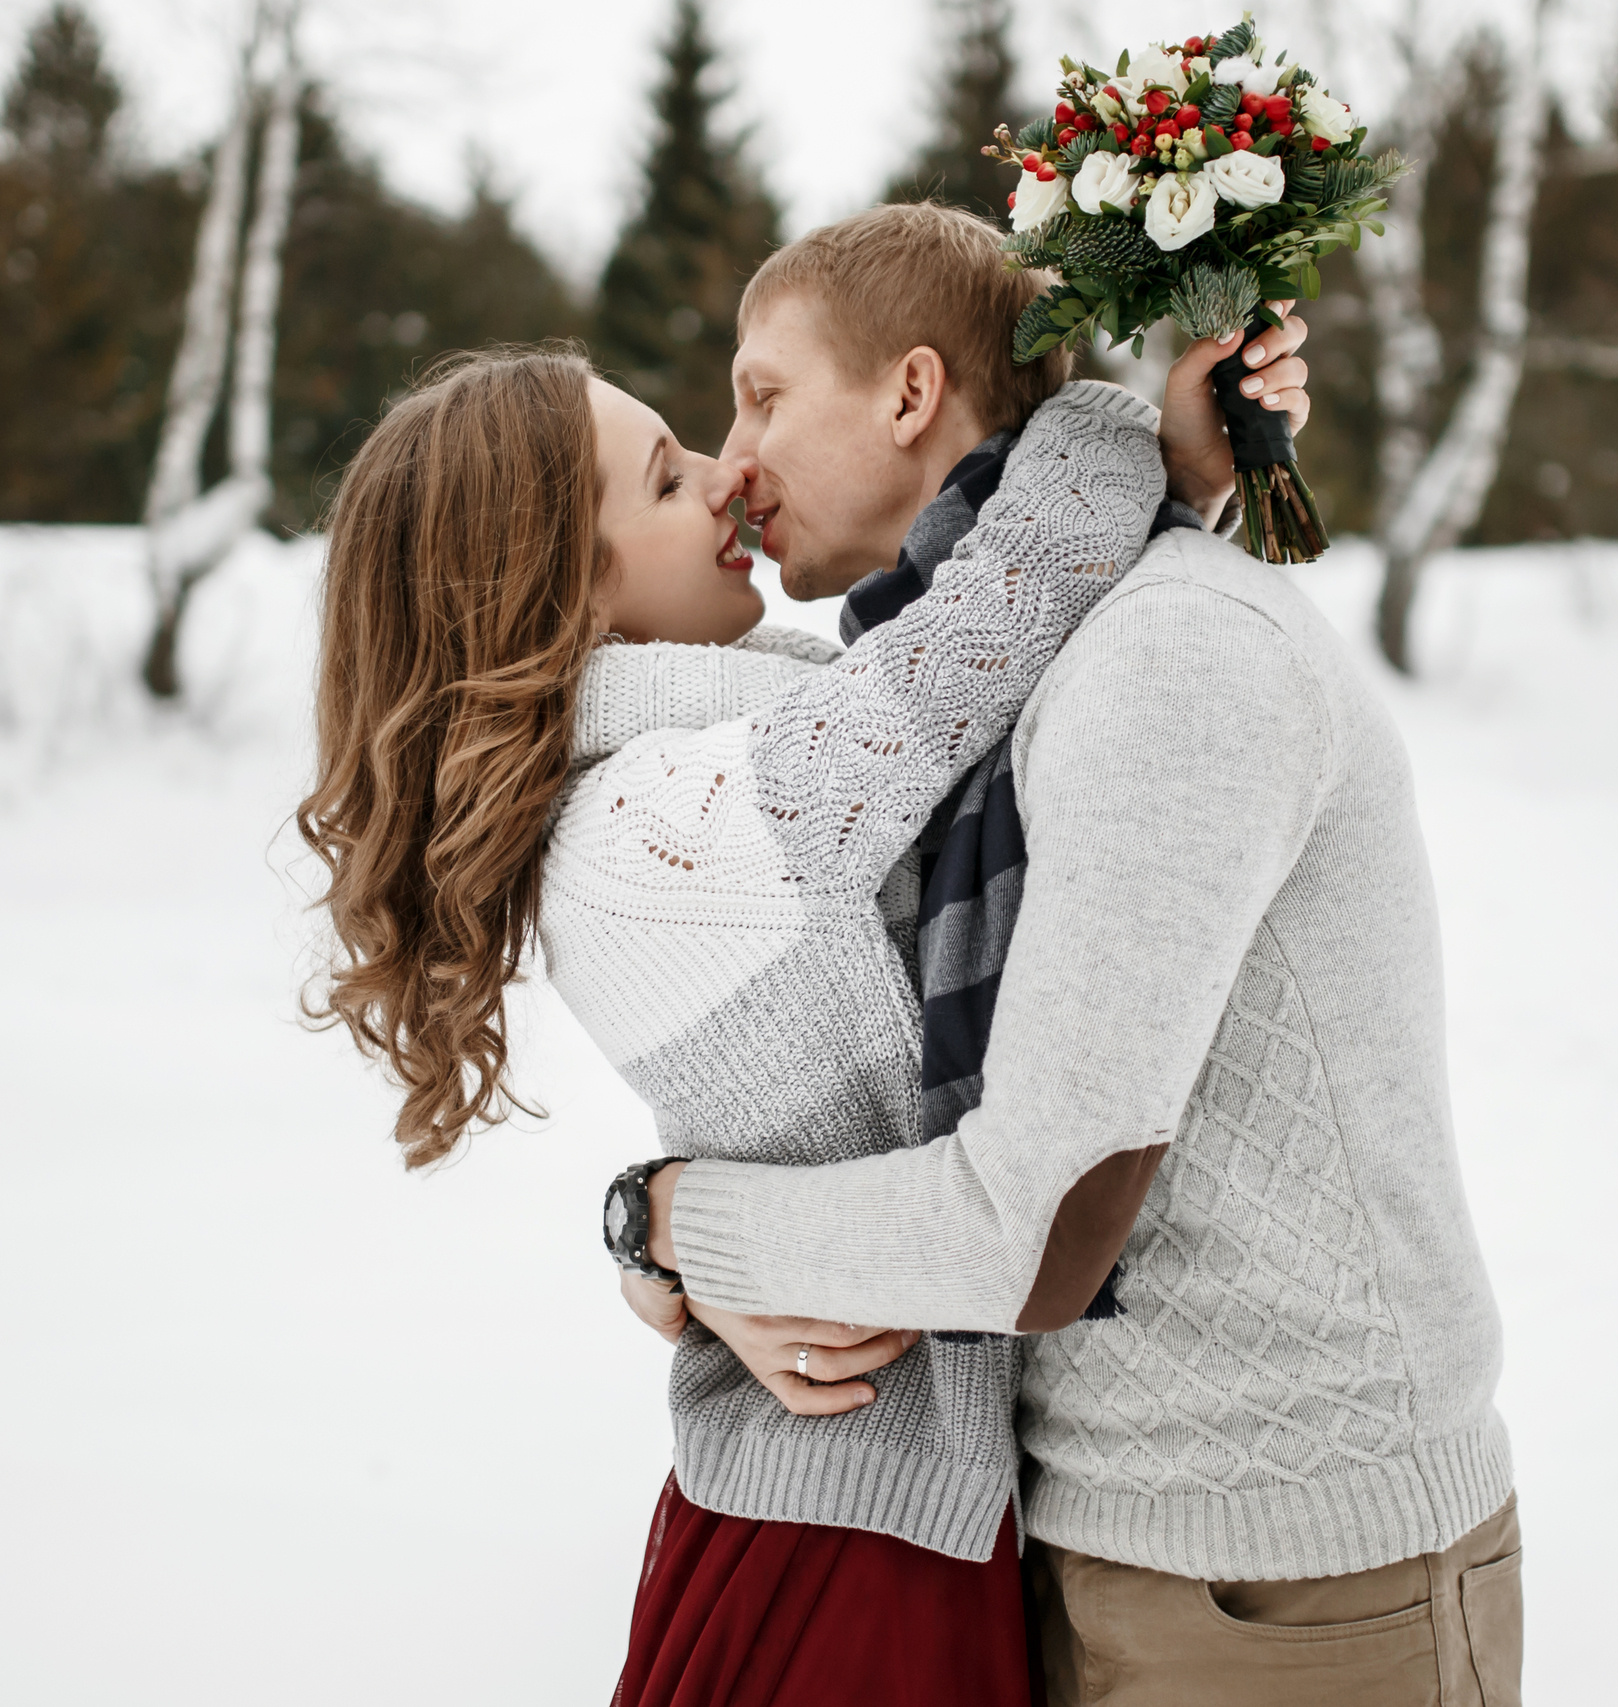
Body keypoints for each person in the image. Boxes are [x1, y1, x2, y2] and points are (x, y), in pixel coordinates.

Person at [299, 205, 1313, 1706]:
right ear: (563, 589)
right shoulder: (653, 821)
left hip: (900, 1501)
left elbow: (985, 702)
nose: (727, 474)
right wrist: (1131, 440)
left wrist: (664, 1227)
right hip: (841, 1543)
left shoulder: (727, 731)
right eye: (667, 477)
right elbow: (979, 640)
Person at [602, 206, 1520, 1706]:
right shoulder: (979, 675)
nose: (735, 457)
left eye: (763, 395)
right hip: (1083, 1541)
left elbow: (1027, 1225)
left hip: (1291, 1575)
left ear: (910, 392)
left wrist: (677, 1223)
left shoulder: (1167, 650)